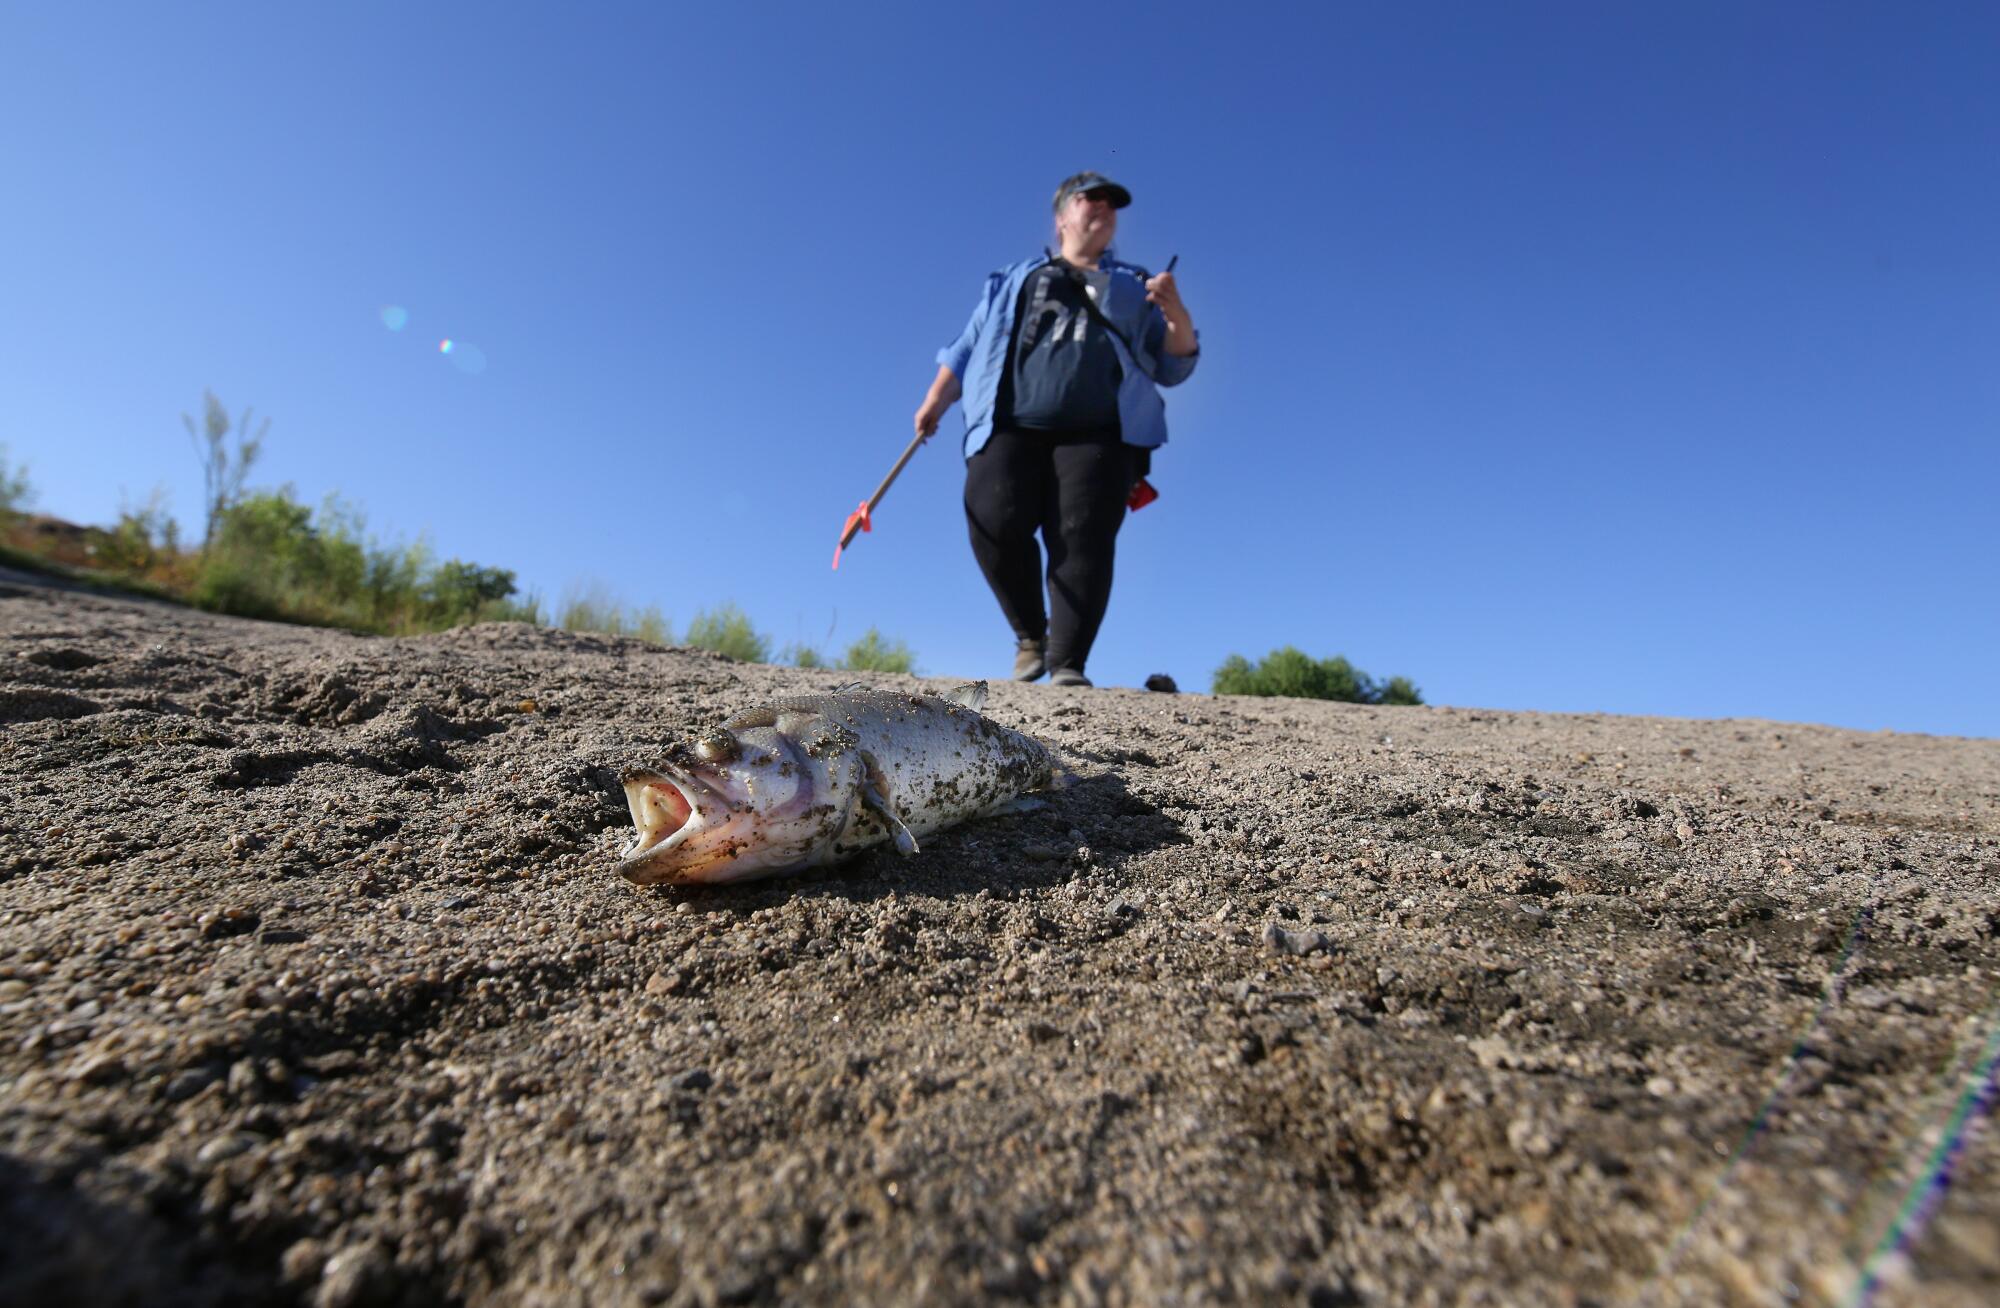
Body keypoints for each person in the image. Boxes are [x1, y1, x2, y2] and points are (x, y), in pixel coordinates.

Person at [913, 172, 1200, 688]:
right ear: (1062, 215)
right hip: (1009, 423)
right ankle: (1031, 636)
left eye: (1112, 204)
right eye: (1091, 199)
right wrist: (937, 397)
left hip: (1102, 433)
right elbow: (968, 342)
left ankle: (1069, 664)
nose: (1104, 209)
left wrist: (1175, 311)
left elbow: (1173, 365)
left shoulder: (1136, 286)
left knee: (1083, 537)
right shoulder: (1015, 276)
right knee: (991, 518)